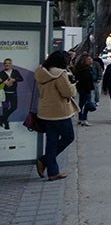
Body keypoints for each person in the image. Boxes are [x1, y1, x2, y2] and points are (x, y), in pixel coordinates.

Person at [34, 50, 79, 181]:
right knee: (68, 137)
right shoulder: (60, 74)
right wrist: (74, 85)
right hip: (59, 112)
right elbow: (67, 92)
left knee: (51, 141)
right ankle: (44, 160)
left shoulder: (41, 72)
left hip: (45, 112)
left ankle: (53, 172)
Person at [0, 58, 24, 130]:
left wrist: (14, 79)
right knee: (5, 108)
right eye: (6, 63)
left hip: (13, 94)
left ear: (11, 64)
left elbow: (21, 79)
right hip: (5, 95)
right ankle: (6, 123)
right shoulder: (1, 73)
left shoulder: (15, 72)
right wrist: (3, 82)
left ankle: (2, 119)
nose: (7, 64)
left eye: (9, 63)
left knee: (14, 107)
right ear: (4, 64)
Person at [74, 54, 95, 126]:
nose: (91, 60)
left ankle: (81, 118)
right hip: (86, 89)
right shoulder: (85, 70)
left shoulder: (80, 69)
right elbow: (87, 80)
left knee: (81, 104)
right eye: (89, 59)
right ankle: (84, 118)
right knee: (86, 104)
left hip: (81, 89)